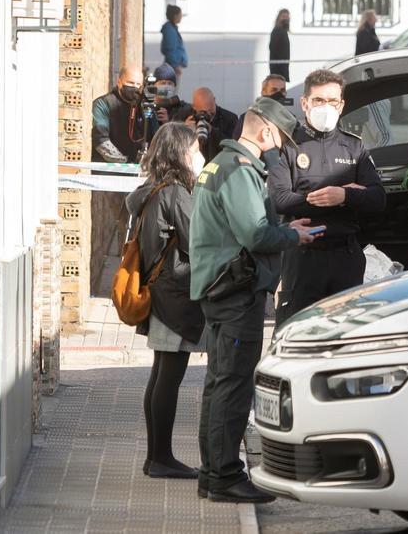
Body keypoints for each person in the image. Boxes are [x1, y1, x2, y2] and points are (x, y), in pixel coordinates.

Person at [189, 97, 318, 503]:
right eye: (280, 139)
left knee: (219, 383)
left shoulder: (218, 165)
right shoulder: (240, 169)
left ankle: (213, 474)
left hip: (218, 288)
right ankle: (226, 475)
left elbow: (246, 225)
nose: (280, 148)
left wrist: (281, 226)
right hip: (236, 292)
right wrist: (292, 236)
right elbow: (256, 235)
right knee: (233, 385)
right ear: (264, 131)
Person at [269, 69, 387, 327]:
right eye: (319, 101)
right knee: (297, 332)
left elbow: (378, 198)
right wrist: (324, 198)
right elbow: (279, 198)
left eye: (332, 102)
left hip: (345, 256)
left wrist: (345, 195)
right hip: (303, 258)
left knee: (344, 336)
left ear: (341, 105)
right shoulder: (289, 146)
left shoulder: (354, 146)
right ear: (305, 103)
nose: (326, 107)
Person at [126, 123, 205, 481]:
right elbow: (197, 241)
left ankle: (156, 456)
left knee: (161, 375)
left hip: (159, 292)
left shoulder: (150, 189)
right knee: (168, 378)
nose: (200, 156)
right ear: (180, 153)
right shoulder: (175, 193)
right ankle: (161, 458)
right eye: (195, 149)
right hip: (175, 294)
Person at [92, 65, 146, 162]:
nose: (135, 87)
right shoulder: (103, 103)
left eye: (138, 84)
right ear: (119, 82)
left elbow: (154, 137)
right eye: (130, 83)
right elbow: (100, 140)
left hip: (137, 172)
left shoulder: (144, 106)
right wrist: (126, 163)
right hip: (107, 171)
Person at [187, 87, 238, 162]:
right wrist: (184, 129)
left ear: (214, 100)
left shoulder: (230, 118)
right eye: (203, 112)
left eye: (211, 110)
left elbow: (234, 147)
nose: (208, 114)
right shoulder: (188, 117)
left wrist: (213, 132)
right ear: (194, 107)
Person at [232, 74, 289, 140]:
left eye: (282, 90)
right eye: (274, 90)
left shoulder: (290, 118)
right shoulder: (247, 118)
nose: (279, 94)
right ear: (263, 93)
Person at [160, 5, 188, 80]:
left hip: (174, 66)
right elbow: (169, 49)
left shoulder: (172, 29)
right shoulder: (170, 30)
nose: (181, 16)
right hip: (173, 67)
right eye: (180, 14)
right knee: (172, 89)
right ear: (175, 16)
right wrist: (175, 65)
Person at [269, 9, 291, 81]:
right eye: (283, 16)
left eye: (287, 16)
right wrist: (280, 62)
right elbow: (272, 47)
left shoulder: (283, 31)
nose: (286, 18)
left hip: (282, 67)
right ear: (279, 18)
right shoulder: (277, 30)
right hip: (278, 68)